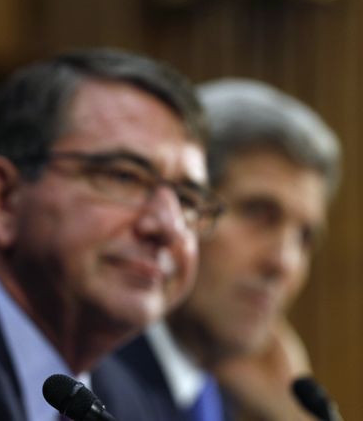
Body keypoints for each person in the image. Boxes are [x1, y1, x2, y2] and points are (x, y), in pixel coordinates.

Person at [0, 48, 222, 420]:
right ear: (3, 198)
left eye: (186, 199)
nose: (167, 225)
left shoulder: (131, 400)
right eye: (123, 176)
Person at [94, 78, 341, 420]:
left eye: (305, 238)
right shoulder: (90, 388)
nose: (283, 262)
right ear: (182, 206)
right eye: (258, 213)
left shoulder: (221, 398)